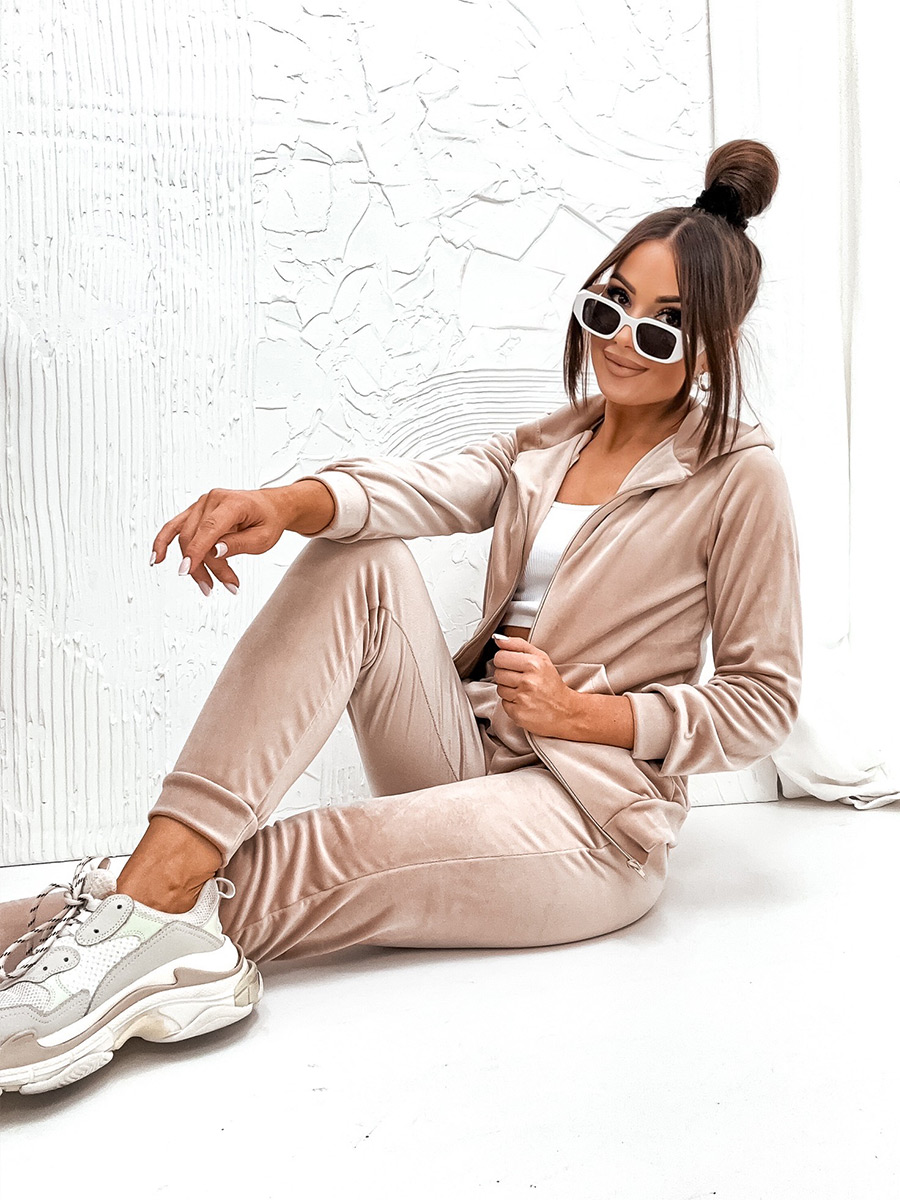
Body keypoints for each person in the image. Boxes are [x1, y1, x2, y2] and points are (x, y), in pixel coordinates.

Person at [0, 138, 802, 1095]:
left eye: (665, 328)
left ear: (713, 345)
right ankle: (138, 902)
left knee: (315, 849)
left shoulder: (740, 476)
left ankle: (113, 919)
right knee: (360, 555)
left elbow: (765, 700)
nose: (624, 339)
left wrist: (587, 715)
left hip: (589, 816)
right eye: (610, 304)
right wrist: (284, 502)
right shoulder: (552, 444)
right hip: (468, 752)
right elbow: (421, 488)